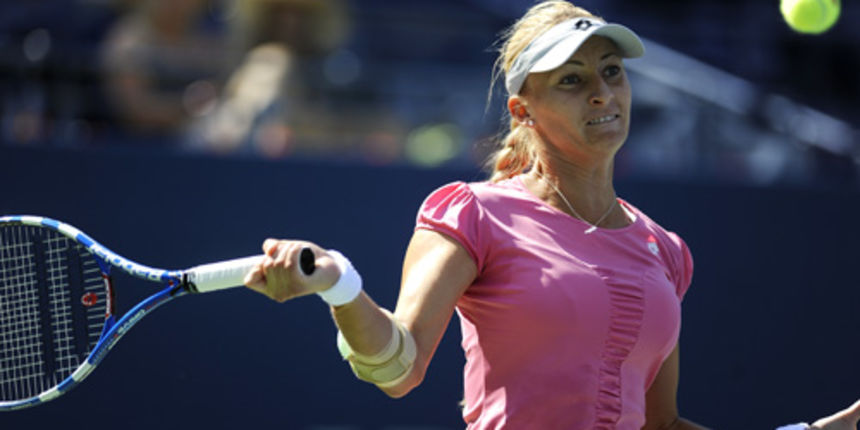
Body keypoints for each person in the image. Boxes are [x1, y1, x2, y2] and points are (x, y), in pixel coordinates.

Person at [242, 1, 860, 429]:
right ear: (523, 110)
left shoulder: (664, 250)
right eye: (571, 80)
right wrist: (339, 285)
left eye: (611, 73)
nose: (602, 92)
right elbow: (397, 368)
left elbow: (660, 422)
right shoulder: (475, 215)